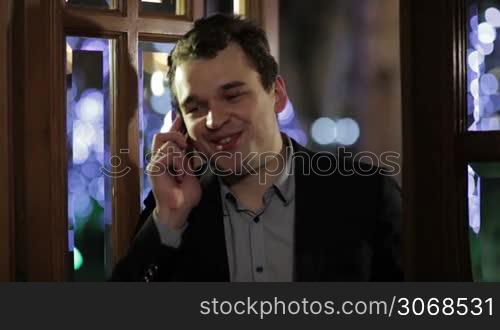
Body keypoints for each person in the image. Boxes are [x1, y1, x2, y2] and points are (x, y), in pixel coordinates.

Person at [110, 14, 402, 282]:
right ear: (181, 125)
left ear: (277, 94)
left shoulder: (367, 193)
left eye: (233, 96)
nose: (215, 119)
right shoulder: (172, 209)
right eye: (196, 107)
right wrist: (171, 219)